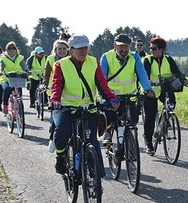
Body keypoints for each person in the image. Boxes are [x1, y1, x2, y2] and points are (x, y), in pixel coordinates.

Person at [49, 34, 120, 175]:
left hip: (88, 108)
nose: (83, 51)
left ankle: (96, 179)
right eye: (80, 48)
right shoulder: (61, 64)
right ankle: (61, 156)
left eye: (86, 48)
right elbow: (56, 85)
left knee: (92, 140)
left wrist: (112, 98)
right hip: (66, 107)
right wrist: (55, 100)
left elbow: (102, 84)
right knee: (62, 131)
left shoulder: (93, 62)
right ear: (71, 50)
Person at [100, 34, 155, 145]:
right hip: (111, 96)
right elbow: (102, 79)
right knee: (109, 117)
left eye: (127, 46)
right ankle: (108, 132)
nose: (124, 49)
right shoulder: (106, 57)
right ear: (115, 45)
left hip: (129, 96)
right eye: (121, 46)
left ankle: (130, 145)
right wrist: (106, 95)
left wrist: (148, 89)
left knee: (132, 121)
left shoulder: (134, 57)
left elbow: (142, 74)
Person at [142, 36, 188, 154]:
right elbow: (145, 75)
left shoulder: (168, 59)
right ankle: (149, 142)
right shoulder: (147, 60)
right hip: (151, 91)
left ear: (161, 49)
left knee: (171, 103)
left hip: (165, 89)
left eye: (154, 48)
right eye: (150, 48)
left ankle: (165, 121)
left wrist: (183, 80)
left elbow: (176, 73)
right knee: (150, 116)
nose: (151, 50)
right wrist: (148, 84)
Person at [42, 40, 70, 152]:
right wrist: (44, 85)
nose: (62, 51)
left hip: (69, 91)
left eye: (64, 48)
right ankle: (52, 139)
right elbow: (47, 74)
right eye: (59, 49)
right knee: (55, 118)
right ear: (55, 50)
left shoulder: (72, 59)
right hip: (54, 91)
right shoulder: (50, 59)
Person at [0, 41, 29, 115]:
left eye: (13, 48)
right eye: (9, 48)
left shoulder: (20, 58)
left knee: (19, 96)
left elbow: (24, 66)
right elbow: (0, 66)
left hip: (18, 78)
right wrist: (0, 72)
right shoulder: (3, 58)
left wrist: (27, 71)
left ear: (16, 49)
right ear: (6, 50)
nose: (11, 50)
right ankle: (5, 105)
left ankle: (20, 114)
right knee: (7, 89)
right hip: (6, 78)